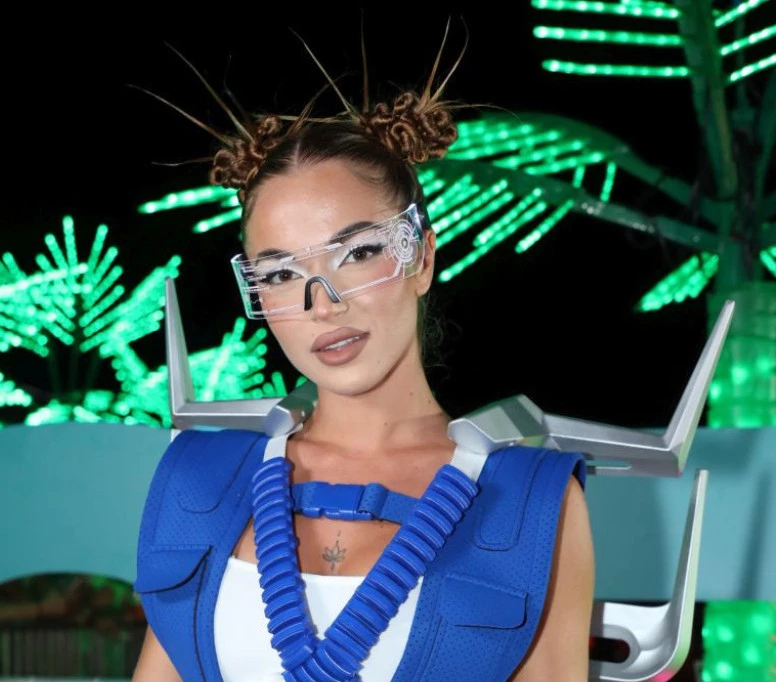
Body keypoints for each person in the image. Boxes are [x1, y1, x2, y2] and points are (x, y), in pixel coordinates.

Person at [130, 29, 595, 682]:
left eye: (358, 253)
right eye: (281, 273)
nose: (322, 303)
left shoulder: (532, 503)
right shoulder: (198, 479)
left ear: (421, 256)